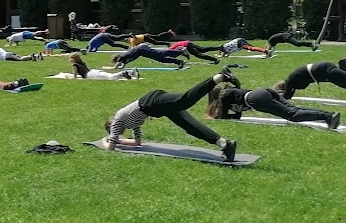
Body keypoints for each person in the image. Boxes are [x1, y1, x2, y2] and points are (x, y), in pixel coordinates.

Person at [99, 70, 239, 161]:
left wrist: (104, 141)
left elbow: (110, 147)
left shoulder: (117, 120)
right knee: (190, 126)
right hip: (156, 108)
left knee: (184, 100)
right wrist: (120, 141)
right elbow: (137, 142)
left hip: (151, 102)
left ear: (111, 127)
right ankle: (224, 144)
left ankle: (219, 77)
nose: (117, 134)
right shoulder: (131, 123)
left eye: (114, 133)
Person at [205, 71, 342, 130]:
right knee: (294, 110)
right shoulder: (229, 94)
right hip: (261, 93)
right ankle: (329, 116)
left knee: (292, 115)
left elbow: (222, 117)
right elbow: (238, 115)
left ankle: (327, 117)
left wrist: (217, 115)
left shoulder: (223, 96)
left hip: (255, 98)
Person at [274, 61, 346, 106]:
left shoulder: (291, 81)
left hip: (325, 70)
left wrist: (275, 99)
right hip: (325, 73)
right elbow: (288, 95)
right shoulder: (292, 82)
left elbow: (286, 97)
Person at [111, 43, 187, 69]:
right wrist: (119, 67)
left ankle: (180, 51)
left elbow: (117, 65)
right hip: (143, 51)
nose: (118, 63)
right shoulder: (125, 60)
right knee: (161, 59)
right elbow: (122, 66)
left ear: (117, 59)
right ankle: (179, 62)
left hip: (142, 49)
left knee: (160, 54)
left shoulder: (123, 57)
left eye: (116, 61)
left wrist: (113, 67)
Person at [69, 52, 138, 80]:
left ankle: (127, 72)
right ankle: (129, 73)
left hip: (90, 75)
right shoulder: (82, 62)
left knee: (111, 77)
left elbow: (75, 76)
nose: (69, 60)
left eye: (70, 58)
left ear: (74, 59)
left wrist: (72, 77)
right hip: (93, 71)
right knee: (110, 76)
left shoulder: (74, 65)